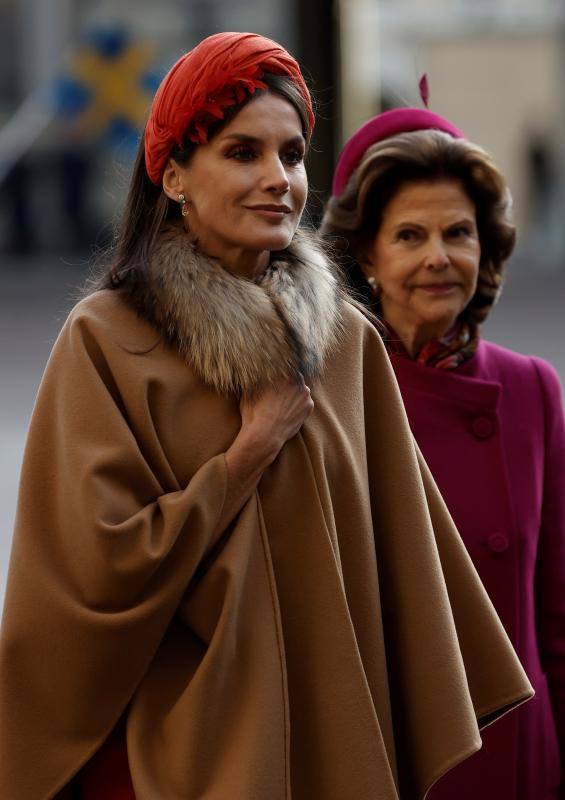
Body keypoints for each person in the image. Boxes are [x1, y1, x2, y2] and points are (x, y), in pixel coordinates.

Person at [0, 37, 533, 800]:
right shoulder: (108, 338)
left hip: (332, 750)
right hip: (174, 764)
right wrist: (246, 453)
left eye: (291, 154)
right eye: (242, 152)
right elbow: (89, 583)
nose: (277, 179)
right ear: (174, 175)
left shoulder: (346, 341)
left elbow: (396, 574)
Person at [321, 106, 565, 800]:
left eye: (458, 232)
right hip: (394, 766)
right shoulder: (325, 396)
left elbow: (557, 618)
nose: (438, 256)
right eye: (409, 235)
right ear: (366, 256)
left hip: (522, 761)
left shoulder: (530, 390)